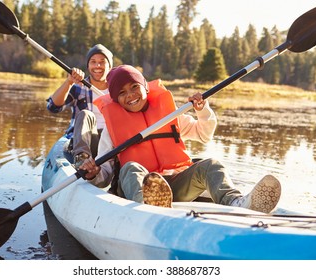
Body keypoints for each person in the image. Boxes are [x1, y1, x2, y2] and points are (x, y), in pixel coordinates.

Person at [80, 65, 281, 213]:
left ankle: (237, 203)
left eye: (134, 87)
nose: (130, 95)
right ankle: (146, 207)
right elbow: (104, 176)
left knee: (211, 165)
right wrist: (94, 173)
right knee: (130, 167)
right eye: (122, 93)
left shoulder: (169, 116)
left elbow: (203, 134)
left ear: (145, 88)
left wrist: (202, 111)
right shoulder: (111, 130)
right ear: (115, 99)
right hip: (137, 190)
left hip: (174, 185)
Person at [46, 44, 113, 167]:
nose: (97, 66)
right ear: (88, 65)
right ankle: (82, 159)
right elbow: (53, 107)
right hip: (86, 141)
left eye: (102, 62)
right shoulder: (78, 87)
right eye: (93, 62)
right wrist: (69, 82)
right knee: (86, 114)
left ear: (110, 66)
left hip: (110, 142)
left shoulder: (117, 91)